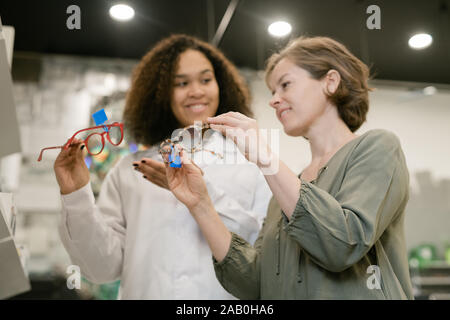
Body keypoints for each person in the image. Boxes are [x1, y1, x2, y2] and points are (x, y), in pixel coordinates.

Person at [165, 36, 414, 299]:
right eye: (272, 91)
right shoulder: (282, 195)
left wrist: (264, 158)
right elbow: (255, 285)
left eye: (285, 84)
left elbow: (343, 244)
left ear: (330, 82)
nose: (274, 100)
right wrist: (201, 205)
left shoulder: (378, 148)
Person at [54, 34, 271, 299]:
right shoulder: (131, 170)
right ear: (161, 93)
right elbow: (102, 268)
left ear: (221, 85)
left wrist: (204, 196)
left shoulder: (251, 164)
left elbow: (262, 255)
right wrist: (76, 195)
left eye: (206, 79)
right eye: (181, 83)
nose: (196, 91)